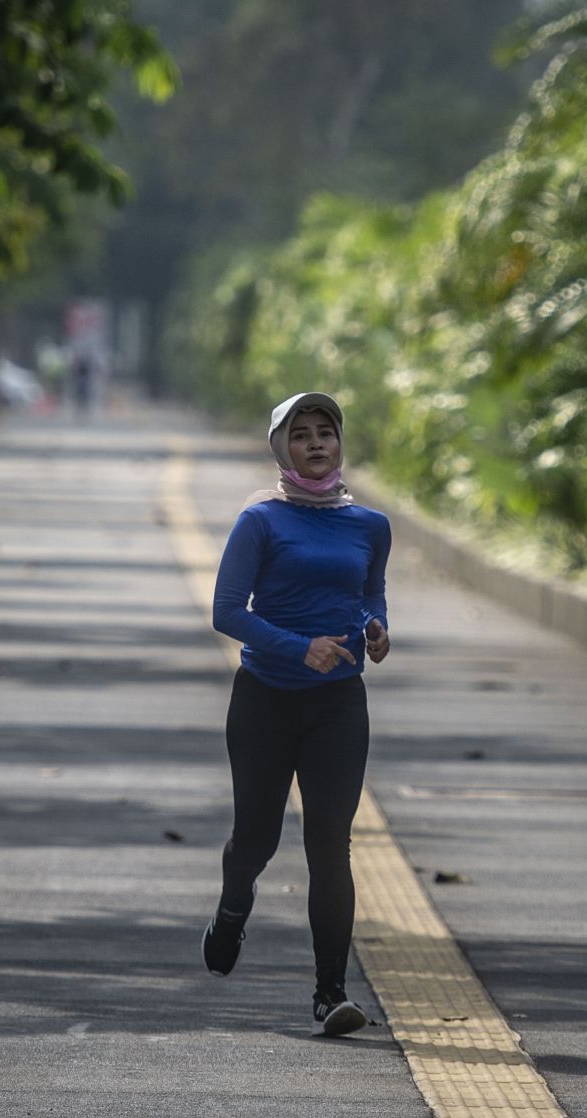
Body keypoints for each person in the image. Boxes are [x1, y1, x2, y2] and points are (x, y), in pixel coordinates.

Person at [203, 391, 392, 1037]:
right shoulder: (260, 521)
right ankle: (233, 907)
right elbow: (228, 613)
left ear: (340, 443)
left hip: (338, 702)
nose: (316, 444)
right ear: (281, 448)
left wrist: (375, 628)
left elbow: (369, 591)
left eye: (326, 433)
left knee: (329, 846)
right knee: (256, 840)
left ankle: (328, 993)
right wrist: (296, 647)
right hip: (264, 700)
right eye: (302, 434)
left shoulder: (370, 525)